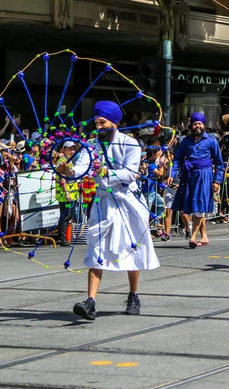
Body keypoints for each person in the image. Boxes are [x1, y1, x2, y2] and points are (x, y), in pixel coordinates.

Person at [57, 101, 159, 320]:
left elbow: (130, 174)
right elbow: (82, 168)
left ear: (114, 122)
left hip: (127, 203)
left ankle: (133, 295)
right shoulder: (92, 145)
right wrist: (68, 169)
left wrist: (104, 173)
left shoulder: (130, 144)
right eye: (96, 122)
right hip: (103, 203)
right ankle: (90, 302)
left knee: (133, 249)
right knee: (95, 248)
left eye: (102, 122)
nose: (99, 126)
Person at [166, 112, 224, 248]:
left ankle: (192, 237)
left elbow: (219, 163)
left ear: (204, 125)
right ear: (191, 125)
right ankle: (204, 236)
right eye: (195, 123)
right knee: (193, 206)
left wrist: (217, 181)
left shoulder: (211, 141)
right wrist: (171, 175)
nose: (197, 125)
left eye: (200, 123)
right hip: (189, 176)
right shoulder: (185, 141)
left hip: (205, 176)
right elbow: (178, 160)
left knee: (199, 205)